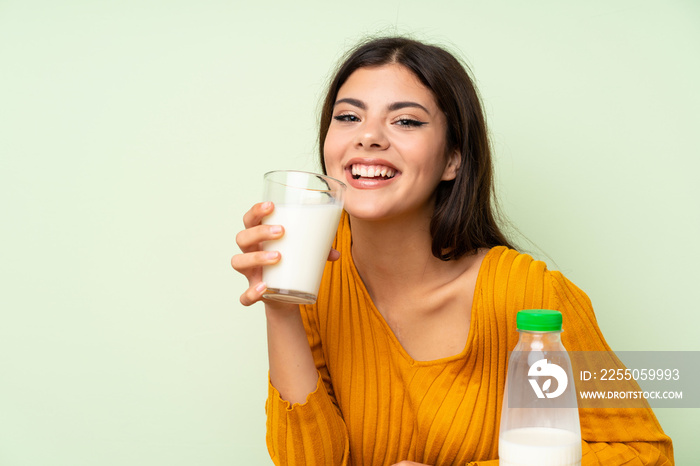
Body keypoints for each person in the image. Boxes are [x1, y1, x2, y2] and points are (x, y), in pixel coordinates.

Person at [232, 36, 673, 466]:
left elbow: (645, 454)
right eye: (348, 117)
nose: (368, 137)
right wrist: (282, 306)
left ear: (452, 160)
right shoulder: (315, 281)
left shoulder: (530, 295)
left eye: (405, 121)